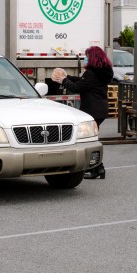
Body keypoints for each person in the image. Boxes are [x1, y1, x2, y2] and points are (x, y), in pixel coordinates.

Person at [51, 46, 113, 179]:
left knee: (89, 141)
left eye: (87, 56)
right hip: (100, 109)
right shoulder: (103, 72)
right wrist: (68, 77)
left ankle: (98, 168)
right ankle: (98, 168)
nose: (85, 58)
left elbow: (76, 87)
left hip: (92, 110)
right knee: (92, 139)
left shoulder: (91, 73)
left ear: (92, 57)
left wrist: (63, 80)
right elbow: (83, 82)